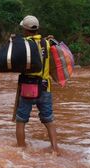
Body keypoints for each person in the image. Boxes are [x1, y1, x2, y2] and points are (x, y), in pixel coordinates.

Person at [15, 15, 59, 155]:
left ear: (25, 29)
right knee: (49, 120)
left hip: (28, 88)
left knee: (21, 120)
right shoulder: (47, 43)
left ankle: (21, 150)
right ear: (37, 29)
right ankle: (55, 149)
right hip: (45, 88)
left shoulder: (22, 44)